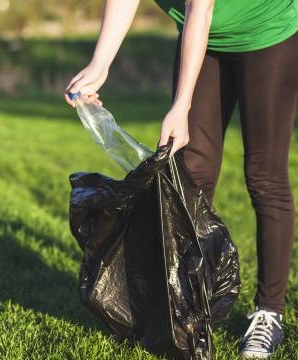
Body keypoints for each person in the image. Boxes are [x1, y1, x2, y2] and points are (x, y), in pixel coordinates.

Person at [64, 0, 298, 358]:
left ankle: (269, 312)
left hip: (266, 32)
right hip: (206, 35)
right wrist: (101, 62)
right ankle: (186, 306)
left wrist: (181, 107)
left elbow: (199, 7)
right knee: (193, 170)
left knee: (264, 175)